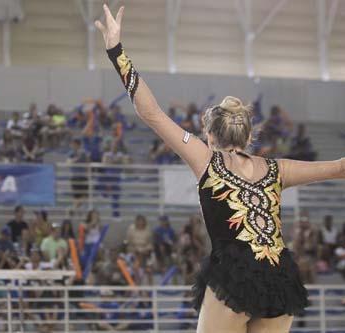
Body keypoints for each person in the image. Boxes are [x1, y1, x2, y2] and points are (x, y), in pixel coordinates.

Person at [95, 5, 344, 331]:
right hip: (280, 278)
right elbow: (340, 167)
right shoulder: (277, 169)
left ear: (210, 136)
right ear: (249, 136)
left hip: (235, 273)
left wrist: (117, 52)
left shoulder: (207, 159)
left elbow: (151, 113)